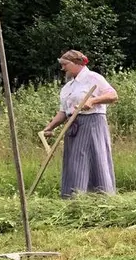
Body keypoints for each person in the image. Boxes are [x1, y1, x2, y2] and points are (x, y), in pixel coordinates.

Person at [42, 50, 119, 199]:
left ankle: (100, 197)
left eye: (65, 64)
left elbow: (113, 95)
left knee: (92, 157)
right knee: (75, 161)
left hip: (93, 123)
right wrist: (50, 126)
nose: (63, 68)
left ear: (77, 63)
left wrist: (92, 101)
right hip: (73, 126)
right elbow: (64, 112)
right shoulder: (68, 87)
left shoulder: (93, 78)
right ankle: (74, 199)